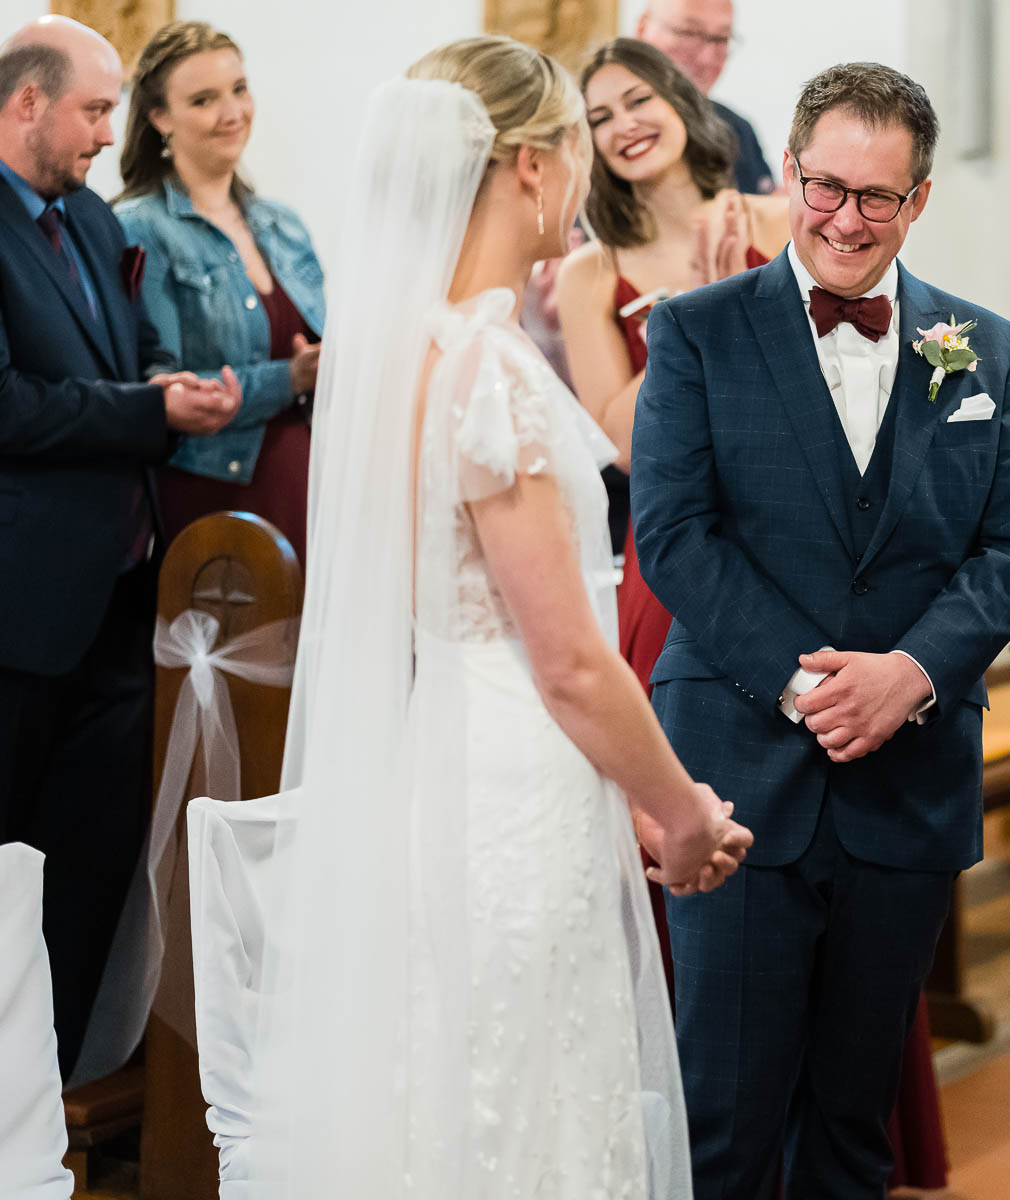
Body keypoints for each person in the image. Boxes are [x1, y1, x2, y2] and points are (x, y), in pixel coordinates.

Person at [242, 36, 749, 1198]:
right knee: (530, 1101)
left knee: (453, 1081)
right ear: (530, 163)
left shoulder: (405, 355)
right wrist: (677, 809)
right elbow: (570, 660)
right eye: (574, 142)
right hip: (521, 772)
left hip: (442, 754)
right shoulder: (492, 372)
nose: (581, 172)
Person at [631, 62, 1010, 1199]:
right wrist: (802, 684)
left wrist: (911, 673)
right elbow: (673, 534)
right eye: (825, 188)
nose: (846, 220)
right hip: (737, 775)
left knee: (856, 1131)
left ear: (918, 202)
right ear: (792, 177)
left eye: (878, 197)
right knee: (724, 1123)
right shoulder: (697, 333)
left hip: (905, 783)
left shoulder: (988, 350)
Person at [0, 15, 239, 1079]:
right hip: (19, 603)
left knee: (89, 854)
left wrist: (168, 387)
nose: (108, 134)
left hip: (118, 589)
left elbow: (130, 354)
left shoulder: (90, 222)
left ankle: (55, 1077)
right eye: (95, 111)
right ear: (26, 104)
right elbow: (10, 407)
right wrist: (149, 418)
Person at [557, 37, 786, 694]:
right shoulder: (590, 275)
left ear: (680, 101)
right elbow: (625, 446)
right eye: (599, 119)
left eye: (638, 100)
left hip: (789, 525)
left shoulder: (777, 226)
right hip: (678, 542)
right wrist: (684, 323)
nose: (624, 125)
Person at [113, 20, 325, 563]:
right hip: (214, 488)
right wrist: (290, 377)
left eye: (239, 89)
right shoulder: (141, 228)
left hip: (309, 477)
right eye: (205, 100)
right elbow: (159, 387)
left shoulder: (284, 224)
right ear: (159, 117)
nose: (232, 112)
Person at [636, 0, 774, 195]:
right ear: (643, 29)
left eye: (721, 39)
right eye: (688, 33)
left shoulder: (736, 131)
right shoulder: (604, 126)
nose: (706, 59)